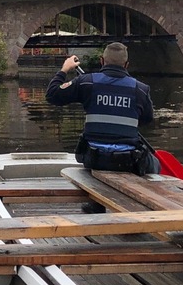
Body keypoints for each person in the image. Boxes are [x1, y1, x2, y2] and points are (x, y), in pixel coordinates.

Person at [45, 43, 158, 213]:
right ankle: (140, 204)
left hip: (93, 159)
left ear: (101, 61)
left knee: (96, 156)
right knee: (155, 163)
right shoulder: (140, 89)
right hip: (128, 161)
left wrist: (64, 69)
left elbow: (52, 95)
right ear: (126, 65)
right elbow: (147, 119)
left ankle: (95, 205)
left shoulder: (86, 82)